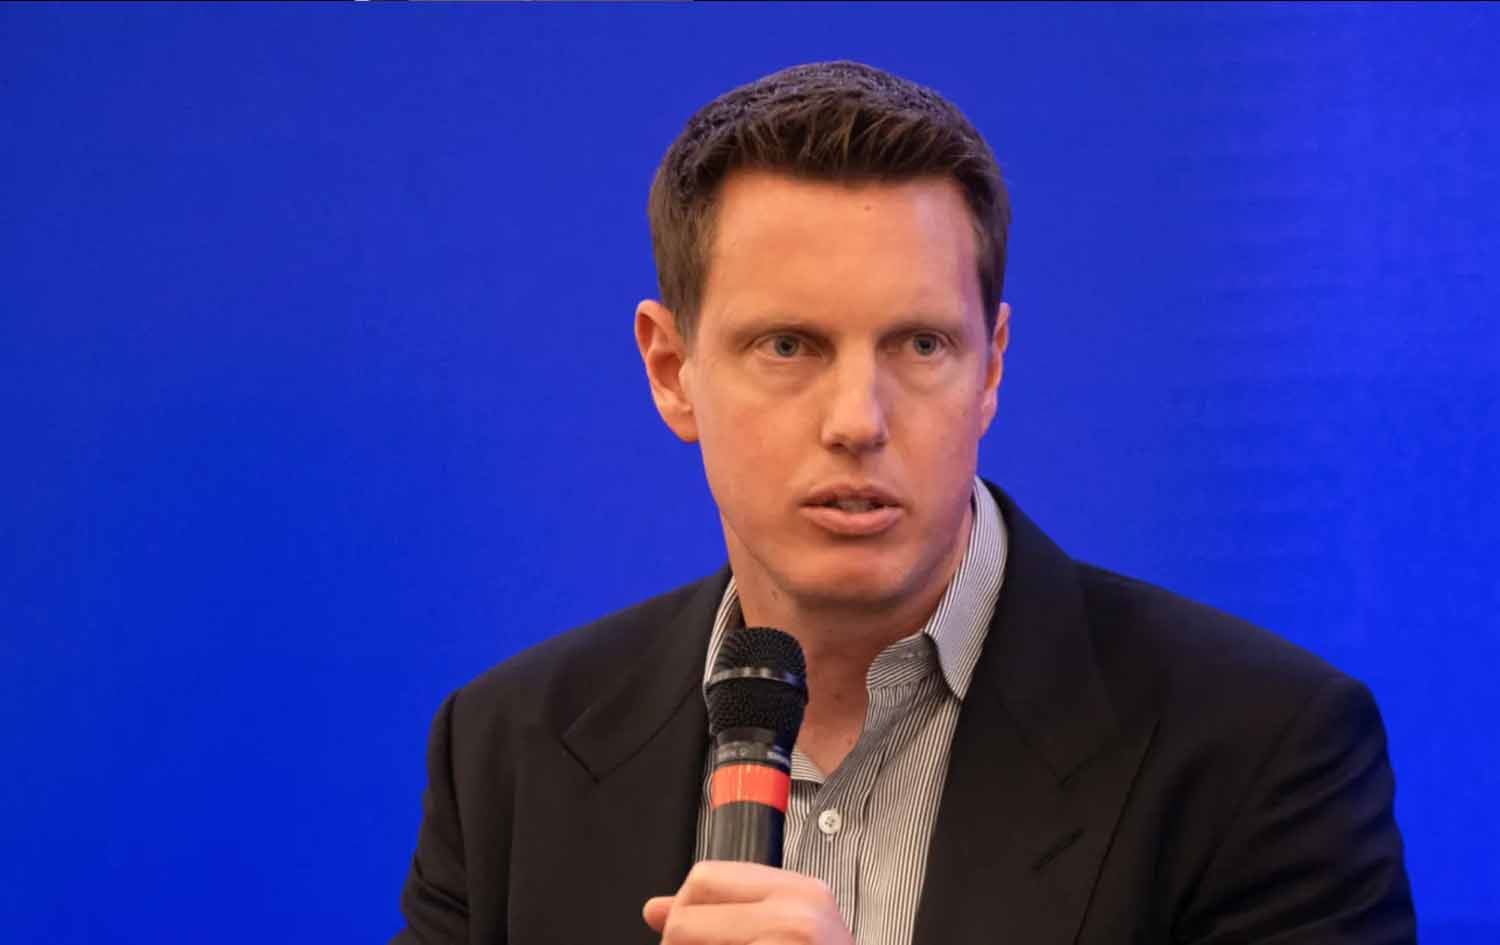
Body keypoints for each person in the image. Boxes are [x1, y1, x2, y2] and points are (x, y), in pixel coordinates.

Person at [390, 60, 1415, 945]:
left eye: (920, 345)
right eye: (788, 346)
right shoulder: (508, 753)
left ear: (991, 368)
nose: (858, 420)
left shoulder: (1260, 750)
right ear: (671, 370)